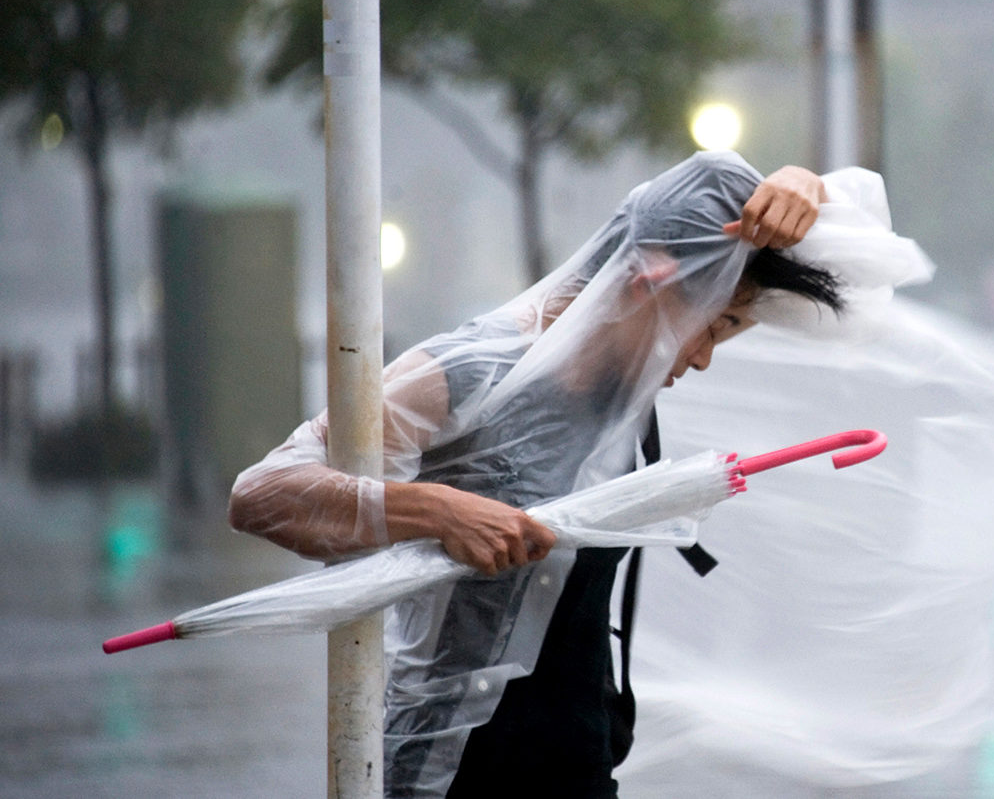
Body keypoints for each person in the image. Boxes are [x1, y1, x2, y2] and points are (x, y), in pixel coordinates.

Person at [227, 151, 926, 798]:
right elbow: (262, 495)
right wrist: (440, 512)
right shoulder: (473, 374)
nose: (708, 358)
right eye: (715, 323)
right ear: (653, 277)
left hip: (578, 766)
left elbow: (849, 234)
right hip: (450, 772)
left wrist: (806, 181)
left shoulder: (633, 399)